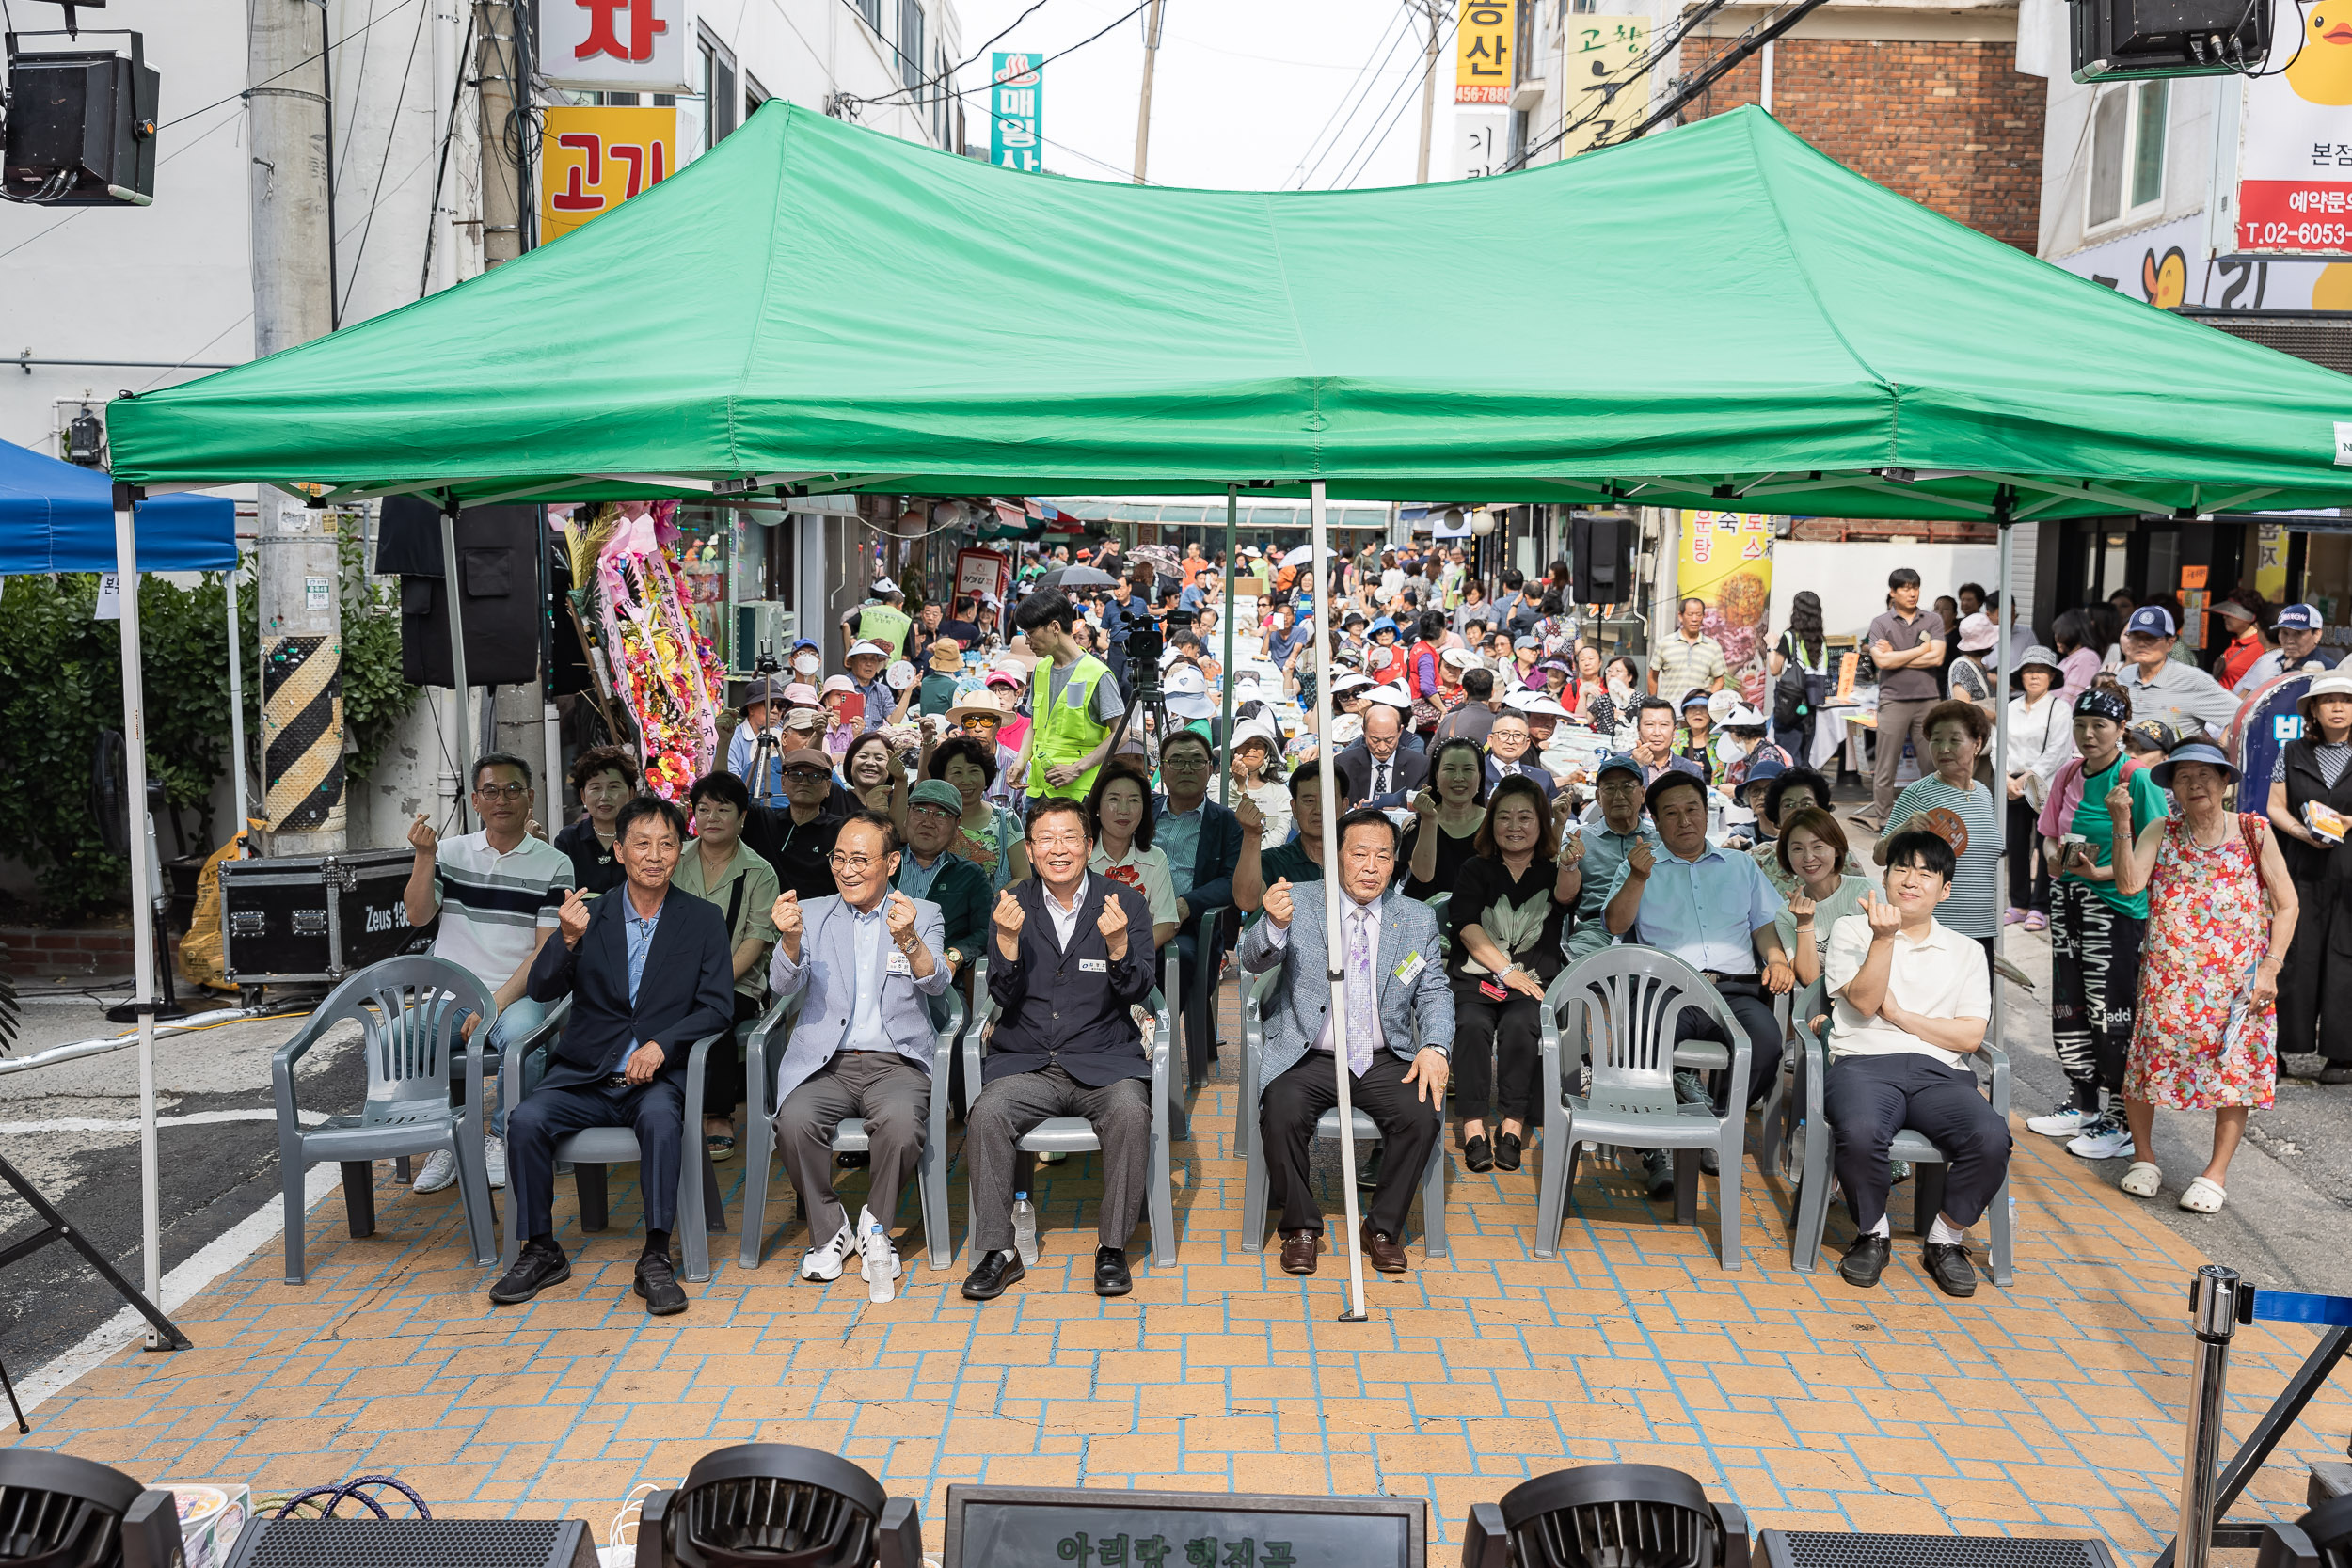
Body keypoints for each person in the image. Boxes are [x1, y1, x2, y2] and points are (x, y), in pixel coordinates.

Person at [490, 795, 735, 1314]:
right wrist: (567, 939)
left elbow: (717, 1008)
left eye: (667, 844)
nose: (655, 854)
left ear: (680, 852)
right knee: (527, 1120)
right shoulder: (590, 915)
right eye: (641, 843)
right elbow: (540, 988)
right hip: (585, 1074)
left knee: (664, 1125)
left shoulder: (703, 919)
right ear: (619, 851)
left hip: (655, 1079)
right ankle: (541, 1248)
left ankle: (655, 1255)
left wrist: (662, 1044)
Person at [1240, 809, 1454, 1275]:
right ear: (1337, 857)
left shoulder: (1415, 919)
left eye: (1383, 856)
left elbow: (1434, 990)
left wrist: (1435, 1046)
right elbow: (1252, 960)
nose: (1371, 867)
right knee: (1280, 1112)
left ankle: (1382, 1228)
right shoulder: (1301, 900)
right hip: (1308, 1052)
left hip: (1382, 1056)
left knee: (1421, 1114)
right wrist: (1272, 926)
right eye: (1359, 854)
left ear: (1396, 862)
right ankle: (1300, 1227)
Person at [963, 799, 1159, 1301]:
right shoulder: (1011, 901)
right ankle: (997, 1252)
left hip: (1104, 1059)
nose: (1058, 849)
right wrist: (1006, 942)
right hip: (1029, 1062)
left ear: (1088, 846)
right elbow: (1001, 998)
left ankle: (1113, 1247)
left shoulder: (1125, 903)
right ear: (1029, 850)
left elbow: (1139, 989)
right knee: (987, 1113)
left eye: (1070, 837)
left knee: (1130, 1113)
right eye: (1046, 839)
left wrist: (1118, 947)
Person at [766, 811, 951, 1303]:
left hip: (897, 1062)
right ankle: (830, 1230)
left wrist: (909, 940)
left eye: (861, 860)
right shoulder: (814, 912)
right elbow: (782, 986)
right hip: (826, 1062)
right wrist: (789, 940)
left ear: (891, 862)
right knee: (794, 1121)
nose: (847, 870)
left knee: (900, 1124)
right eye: (839, 858)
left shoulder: (921, 913)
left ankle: (876, 1226)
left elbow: (936, 985)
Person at [1819, 830, 2008, 1297]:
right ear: (1884, 878)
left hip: (1940, 1073)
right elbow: (1863, 1004)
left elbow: (1969, 1034)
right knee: (1860, 1132)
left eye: (1926, 873)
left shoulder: (1965, 950)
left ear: (1945, 890)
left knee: (1990, 1137)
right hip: (1863, 1062)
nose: (1910, 880)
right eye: (1902, 868)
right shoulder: (1852, 929)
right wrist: (1883, 939)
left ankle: (1945, 1239)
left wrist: (1903, 1016)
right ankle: (1873, 1232)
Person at [2112, 743, 2297, 1213]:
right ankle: (2144, 1158)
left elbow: (2287, 904)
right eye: (2183, 777)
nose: (2196, 785)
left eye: (2205, 775)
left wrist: (2271, 967)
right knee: (2147, 1061)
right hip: (2167, 978)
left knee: (2236, 1073)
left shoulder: (2254, 830)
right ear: (2171, 787)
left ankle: (2215, 1175)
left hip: (2239, 983)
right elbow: (2131, 884)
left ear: (2224, 781)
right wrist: (2120, 823)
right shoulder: (2162, 829)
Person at [401, 753, 577, 1195]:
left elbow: (543, 952)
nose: (503, 799)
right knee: (392, 1043)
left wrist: (495, 1002)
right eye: (492, 791)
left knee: (523, 1045)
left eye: (513, 789)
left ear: (530, 797)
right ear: (476, 801)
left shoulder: (554, 863)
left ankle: (503, 1138)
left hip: (518, 994)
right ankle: (446, 1137)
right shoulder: (452, 852)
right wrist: (425, 856)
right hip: (449, 994)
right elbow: (418, 914)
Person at [1604, 770, 1794, 1135]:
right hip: (1666, 990)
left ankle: (1717, 1124)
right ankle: (1654, 1142)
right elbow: (1615, 925)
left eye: (1693, 809)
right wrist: (1638, 879)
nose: (1685, 820)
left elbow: (1763, 924)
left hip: (1736, 991)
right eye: (1671, 813)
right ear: (1655, 822)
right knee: (1643, 1039)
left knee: (1766, 1043)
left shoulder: (1740, 865)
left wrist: (1777, 959)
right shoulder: (1639, 867)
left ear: (1707, 813)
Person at [2032, 684, 2167, 1157]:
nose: (2089, 735)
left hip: (2115, 909)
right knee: (2069, 1003)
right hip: (2068, 901)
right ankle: (2083, 1101)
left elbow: (2157, 848)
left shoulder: (2136, 778)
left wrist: (2100, 872)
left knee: (2112, 1009)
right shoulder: (2068, 773)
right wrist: (2056, 858)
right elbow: (2047, 834)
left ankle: (2120, 1117)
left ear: (2121, 729)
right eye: (2081, 725)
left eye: (2100, 726)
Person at [1448, 779, 1583, 1174]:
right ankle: (1473, 1124)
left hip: (1533, 982)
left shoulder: (1551, 869)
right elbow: (1467, 927)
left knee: (1523, 1026)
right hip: (1478, 979)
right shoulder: (1476, 869)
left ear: (1541, 824)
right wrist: (1505, 970)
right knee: (1471, 1025)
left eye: (1525, 817)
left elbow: (1565, 896)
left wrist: (1570, 863)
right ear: (1490, 824)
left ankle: (1512, 1122)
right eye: (1504, 817)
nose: (1514, 825)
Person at [675, 770, 780, 1162]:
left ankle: (718, 1113)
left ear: (742, 817)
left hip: (736, 984)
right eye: (703, 809)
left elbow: (756, 940)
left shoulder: (758, 871)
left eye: (723, 809)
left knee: (712, 1011)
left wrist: (711, 982)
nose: (712, 817)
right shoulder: (674, 858)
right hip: (673, 977)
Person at [2268, 672, 2352, 1085]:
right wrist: (2303, 832)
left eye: (2346, 700)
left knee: (2345, 957)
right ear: (2314, 712)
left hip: (2350, 867)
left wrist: (2347, 822)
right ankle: (2279, 1047)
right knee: (2295, 954)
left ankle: (2342, 1055)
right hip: (2303, 862)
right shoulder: (2292, 752)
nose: (2338, 708)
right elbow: (2276, 806)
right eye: (2329, 701)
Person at [1875, 700, 2000, 964]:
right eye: (1936, 740)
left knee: (1976, 1006)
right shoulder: (1918, 794)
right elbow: (1879, 855)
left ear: (1977, 744)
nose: (1943, 749)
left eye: (1955, 740)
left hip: (1982, 931)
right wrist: (1904, 829)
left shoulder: (1983, 794)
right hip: (1935, 932)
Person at [1152, 728, 1243, 1001]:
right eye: (1177, 761)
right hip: (1133, 918)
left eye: (1196, 761)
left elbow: (1231, 881)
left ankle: (1154, 1035)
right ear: (1163, 770)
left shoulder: (1227, 822)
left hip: (1190, 928)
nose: (1186, 768)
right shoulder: (1142, 809)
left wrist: (1185, 905)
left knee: (1174, 961)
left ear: (1210, 769)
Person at [894, 778, 993, 1017]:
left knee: (953, 1037)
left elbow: (986, 930)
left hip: (940, 985)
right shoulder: (884, 864)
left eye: (941, 815)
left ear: (957, 825)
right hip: (880, 976)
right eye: (920, 810)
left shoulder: (970, 874)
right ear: (907, 814)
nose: (928, 821)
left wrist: (955, 954)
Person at [1015, 590, 1125, 803]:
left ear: (1055, 627)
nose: (1027, 641)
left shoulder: (1097, 673)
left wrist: (1077, 769)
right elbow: (1034, 725)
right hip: (1037, 790)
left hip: (1078, 795)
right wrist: (1021, 760)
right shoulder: (1041, 669)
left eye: (1030, 633)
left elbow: (1121, 733)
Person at [1860, 569, 1947, 832]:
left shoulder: (1932, 620)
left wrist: (1898, 655)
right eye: (1906, 588)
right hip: (1893, 700)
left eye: (1916, 587)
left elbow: (1937, 659)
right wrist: (1922, 649)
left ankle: (1935, 819)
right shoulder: (1880, 623)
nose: (1912, 593)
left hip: (1928, 699)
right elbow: (1881, 662)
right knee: (1885, 765)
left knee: (1932, 764)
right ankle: (1885, 821)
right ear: (1893, 592)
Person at [1775, 806, 1872, 1023]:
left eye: (1818, 846)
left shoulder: (1865, 892)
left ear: (1837, 850)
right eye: (1797, 849)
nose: (1809, 857)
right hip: (1820, 1009)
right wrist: (1805, 922)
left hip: (1870, 1002)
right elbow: (1809, 978)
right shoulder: (1786, 913)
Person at [2005, 646, 2075, 931]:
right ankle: (2019, 903)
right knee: (2015, 843)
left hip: (2045, 782)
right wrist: (2007, 779)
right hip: (2012, 782)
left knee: (2045, 842)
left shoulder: (2060, 708)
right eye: (2028, 670)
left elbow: (2058, 750)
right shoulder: (2009, 708)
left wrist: (2028, 778)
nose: (2034, 676)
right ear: (2020, 675)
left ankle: (2040, 906)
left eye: (2040, 671)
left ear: (2051, 676)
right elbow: (1999, 746)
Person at [1565, 755, 1661, 963]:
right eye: (1609, 788)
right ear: (1598, 797)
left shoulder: (1661, 840)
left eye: (1627, 787)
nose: (1619, 795)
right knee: (1571, 973)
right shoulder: (1581, 840)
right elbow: (1563, 896)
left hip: (1654, 932)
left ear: (1643, 793)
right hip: (1597, 933)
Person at [2112, 605, 2245, 739]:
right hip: (2125, 759)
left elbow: (2244, 716)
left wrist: (2219, 751)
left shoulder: (2192, 680)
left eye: (2150, 638)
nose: (2141, 644)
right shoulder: (2124, 676)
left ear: (2170, 643)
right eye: (2135, 637)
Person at [1087, 761, 1180, 954]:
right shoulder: (1079, 855)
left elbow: (1166, 923)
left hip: (1133, 963)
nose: (1124, 809)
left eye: (1134, 800)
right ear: (1096, 807)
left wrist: (1124, 956)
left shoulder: (1155, 858)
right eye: (1114, 799)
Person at [925, 733, 1029, 892]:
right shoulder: (930, 819)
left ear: (986, 775)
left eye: (974, 771)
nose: (967, 780)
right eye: (957, 773)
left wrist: (988, 904)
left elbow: (1023, 877)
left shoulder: (1005, 819)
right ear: (943, 778)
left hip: (993, 911)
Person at [1402, 738, 1489, 902]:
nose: (1458, 777)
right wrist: (1429, 820)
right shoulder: (1413, 823)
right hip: (1424, 917)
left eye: (1468, 769)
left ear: (1480, 776)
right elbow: (1423, 875)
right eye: (1450, 769)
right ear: (1436, 775)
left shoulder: (1495, 824)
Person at [1234, 767, 1327, 915]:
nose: (1318, 809)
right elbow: (1247, 902)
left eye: (1327, 800)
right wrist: (1251, 835)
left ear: (1343, 805)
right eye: (1309, 801)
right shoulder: (1274, 860)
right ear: (1294, 808)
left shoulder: (1361, 859)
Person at [556, 745, 636, 895]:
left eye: (614, 787)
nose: (604, 796)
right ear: (583, 796)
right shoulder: (568, 840)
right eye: (595, 788)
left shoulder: (642, 838)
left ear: (631, 793)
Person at [1751, 766, 1840, 898]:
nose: (1799, 811)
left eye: (1807, 804)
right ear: (1777, 817)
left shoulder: (1842, 858)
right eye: (1789, 805)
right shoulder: (1757, 860)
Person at [1771, 591, 1831, 764]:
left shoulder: (1789, 637)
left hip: (1789, 704)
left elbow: (1775, 669)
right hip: (1810, 705)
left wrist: (1771, 647)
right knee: (1804, 756)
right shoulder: (1820, 640)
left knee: (1787, 756)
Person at [1337, 703, 1429, 807]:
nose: (1382, 748)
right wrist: (1354, 814)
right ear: (1364, 731)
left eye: (1389, 740)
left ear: (1400, 732)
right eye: (1375, 740)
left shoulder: (1419, 766)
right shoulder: (1344, 764)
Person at [1648, 597, 1728, 702]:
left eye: (1699, 615)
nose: (1694, 619)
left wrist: (1708, 702)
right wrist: (1654, 703)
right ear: (1681, 616)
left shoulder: (1713, 647)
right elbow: (1653, 676)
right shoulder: (1665, 644)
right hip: (1669, 710)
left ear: (1703, 617)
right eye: (1690, 614)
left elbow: (1719, 680)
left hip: (1698, 711)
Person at [1229, 722, 1294, 848]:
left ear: (1266, 753)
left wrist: (1256, 853)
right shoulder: (1218, 783)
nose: (1251, 749)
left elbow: (1281, 830)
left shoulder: (1279, 789)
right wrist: (1239, 785)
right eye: (1246, 743)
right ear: (1235, 750)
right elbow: (1225, 821)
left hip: (1268, 858)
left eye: (1258, 744)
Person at [727, 679, 789, 806]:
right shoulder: (733, 739)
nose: (776, 711)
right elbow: (731, 782)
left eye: (780, 705)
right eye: (770, 704)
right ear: (751, 708)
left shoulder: (784, 735)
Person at [2249, 602, 2331, 687]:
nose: (2290, 640)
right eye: (2285, 633)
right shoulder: (2275, 661)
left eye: (2298, 633)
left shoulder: (2328, 672)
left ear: (2317, 634)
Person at [1629, 697, 1705, 785]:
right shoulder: (1619, 763)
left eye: (1664, 725)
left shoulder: (1692, 771)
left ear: (1674, 730)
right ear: (1638, 729)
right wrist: (1633, 765)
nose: (1657, 733)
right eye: (1649, 724)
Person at [1484, 709, 1556, 800]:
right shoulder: (1477, 774)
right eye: (1504, 734)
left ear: (1527, 744)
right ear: (1490, 740)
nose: (1510, 741)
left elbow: (1558, 812)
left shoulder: (1543, 779)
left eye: (1517, 735)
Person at [2213, 594, 2272, 694]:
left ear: (2248, 617)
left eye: (2230, 613)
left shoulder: (2259, 647)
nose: (2225, 617)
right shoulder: (2235, 642)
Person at [1435, 666, 1501, 746]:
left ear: (1464, 693)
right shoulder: (1499, 723)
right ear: (1492, 693)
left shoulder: (1449, 719)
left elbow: (1432, 751)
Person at [2051, 608, 2105, 699]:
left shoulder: (2086, 658)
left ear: (2074, 633)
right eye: (2056, 633)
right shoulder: (2074, 657)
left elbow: (2073, 699)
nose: (2056, 638)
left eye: (2061, 634)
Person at [1674, 690, 1718, 785]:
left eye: (1704, 707)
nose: (1698, 712)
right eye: (1692, 707)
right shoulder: (1674, 738)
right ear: (1685, 713)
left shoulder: (1721, 740)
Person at [917, 639, 963, 716]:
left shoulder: (925, 681)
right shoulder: (953, 686)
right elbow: (958, 715)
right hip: (945, 727)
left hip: (924, 725)